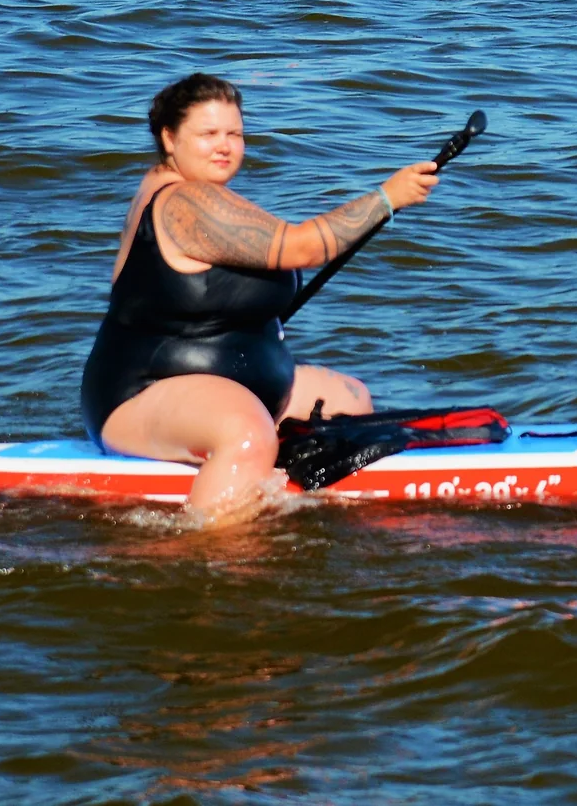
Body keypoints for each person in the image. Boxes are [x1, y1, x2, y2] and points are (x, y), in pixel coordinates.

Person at [80, 73, 443, 523]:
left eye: (234, 133)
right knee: (247, 434)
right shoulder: (182, 202)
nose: (224, 146)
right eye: (208, 134)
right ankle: (213, 556)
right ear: (169, 138)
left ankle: (284, 497)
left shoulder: (206, 195)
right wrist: (387, 198)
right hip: (140, 395)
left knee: (349, 400)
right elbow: (302, 247)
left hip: (233, 387)